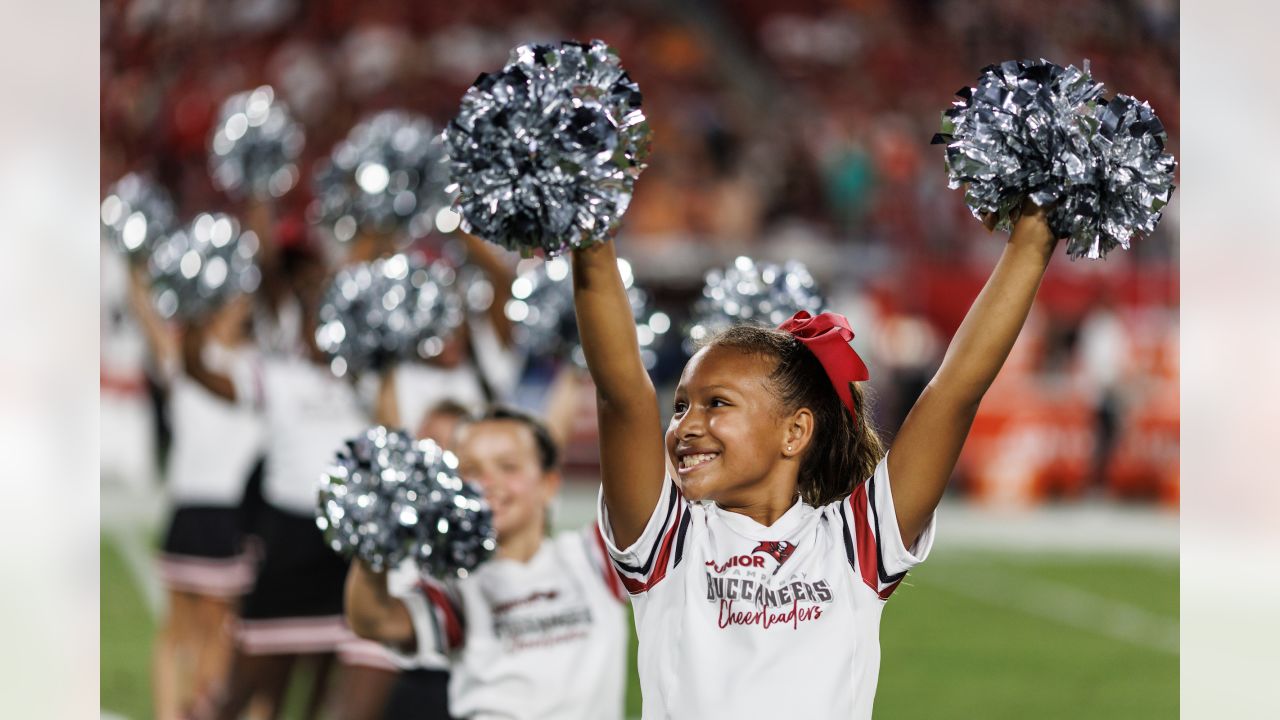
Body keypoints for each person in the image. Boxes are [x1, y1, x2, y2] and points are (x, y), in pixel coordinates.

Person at [571, 200, 1059, 718]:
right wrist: (589, 229)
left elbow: (955, 389)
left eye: (717, 404)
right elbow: (622, 394)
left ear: (795, 431)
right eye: (681, 406)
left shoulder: (853, 544)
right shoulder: (668, 543)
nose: (686, 426)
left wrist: (1033, 238)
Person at [344, 406, 629, 720]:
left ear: (549, 484)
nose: (488, 482)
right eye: (471, 470)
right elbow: (373, 620)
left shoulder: (593, 556)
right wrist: (373, 538)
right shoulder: (457, 580)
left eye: (508, 467)